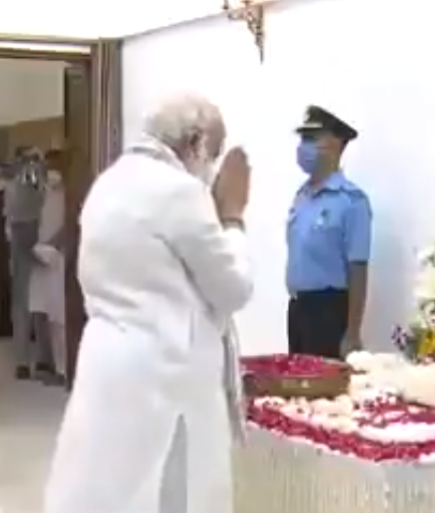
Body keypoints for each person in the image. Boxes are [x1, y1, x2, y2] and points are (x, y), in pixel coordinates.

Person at [43, 93, 254, 513]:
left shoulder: (109, 183)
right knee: (168, 489)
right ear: (194, 142)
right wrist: (232, 216)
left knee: (107, 481)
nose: (211, 169)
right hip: (163, 369)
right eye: (212, 153)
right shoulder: (179, 192)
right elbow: (233, 287)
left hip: (107, 358)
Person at [286, 105, 372, 359]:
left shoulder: (351, 201)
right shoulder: (301, 196)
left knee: (325, 382)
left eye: (312, 138)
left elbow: (358, 269)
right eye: (303, 139)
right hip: (298, 308)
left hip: (328, 312)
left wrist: (353, 332)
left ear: (335, 144)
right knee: (296, 380)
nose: (304, 147)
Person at [2, 146, 47, 380]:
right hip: (27, 240)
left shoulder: (36, 181)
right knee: (28, 304)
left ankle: (37, 359)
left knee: (37, 305)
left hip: (39, 241)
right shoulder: (23, 182)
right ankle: (28, 360)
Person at [28, 149, 67, 385]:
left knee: (60, 318)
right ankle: (52, 365)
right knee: (44, 314)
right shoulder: (43, 194)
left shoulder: (67, 195)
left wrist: (52, 245)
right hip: (41, 256)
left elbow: (68, 226)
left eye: (54, 167)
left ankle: (64, 369)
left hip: (58, 258)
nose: (50, 172)